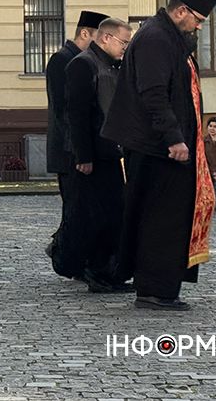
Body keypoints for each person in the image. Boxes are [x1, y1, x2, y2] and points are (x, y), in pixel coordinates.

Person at [101, 0, 216, 311]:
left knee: (167, 217)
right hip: (158, 147)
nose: (198, 26)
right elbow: (153, 94)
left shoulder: (168, 36)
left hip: (163, 145)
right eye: (196, 19)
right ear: (181, 10)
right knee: (160, 219)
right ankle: (155, 289)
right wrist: (174, 138)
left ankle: (160, 285)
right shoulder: (156, 38)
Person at [64, 17, 132, 293]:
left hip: (111, 151)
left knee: (114, 214)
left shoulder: (111, 65)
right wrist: (83, 156)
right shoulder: (83, 64)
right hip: (93, 155)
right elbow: (77, 115)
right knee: (97, 216)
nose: (125, 48)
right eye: (123, 42)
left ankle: (109, 271)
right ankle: (95, 272)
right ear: (105, 38)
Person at [44, 10, 109, 280]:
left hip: (79, 147)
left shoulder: (84, 60)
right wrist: (79, 149)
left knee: (81, 207)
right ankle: (65, 256)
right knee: (74, 207)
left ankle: (70, 254)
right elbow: (65, 110)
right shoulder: (62, 60)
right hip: (69, 150)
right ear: (85, 33)